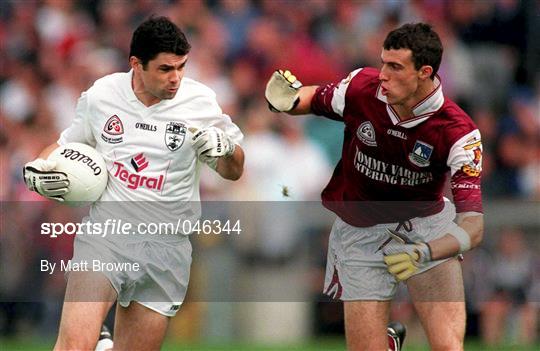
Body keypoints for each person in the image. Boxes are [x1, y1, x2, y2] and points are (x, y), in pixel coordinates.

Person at [23, 16, 244, 350]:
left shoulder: (200, 103)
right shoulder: (102, 96)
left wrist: (226, 150)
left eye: (182, 67)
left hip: (167, 248)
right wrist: (36, 168)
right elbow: (66, 145)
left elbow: (234, 170)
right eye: (165, 69)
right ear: (136, 64)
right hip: (107, 238)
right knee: (72, 346)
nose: (176, 78)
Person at [265, 23, 484, 350]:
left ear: (424, 72)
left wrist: (426, 251)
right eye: (383, 62)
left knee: (448, 346)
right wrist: (284, 101)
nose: (383, 74)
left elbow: (474, 225)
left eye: (395, 67)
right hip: (360, 232)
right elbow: (310, 98)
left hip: (426, 231)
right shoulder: (361, 87)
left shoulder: (459, 132)